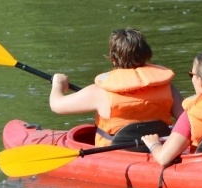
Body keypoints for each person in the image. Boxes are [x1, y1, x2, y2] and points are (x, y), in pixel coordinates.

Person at [49, 28, 183, 146]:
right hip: (157, 147)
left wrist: (58, 83)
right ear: (146, 55)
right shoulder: (167, 88)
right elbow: (187, 120)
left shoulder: (99, 93)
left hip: (114, 154)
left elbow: (56, 105)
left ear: (113, 58)